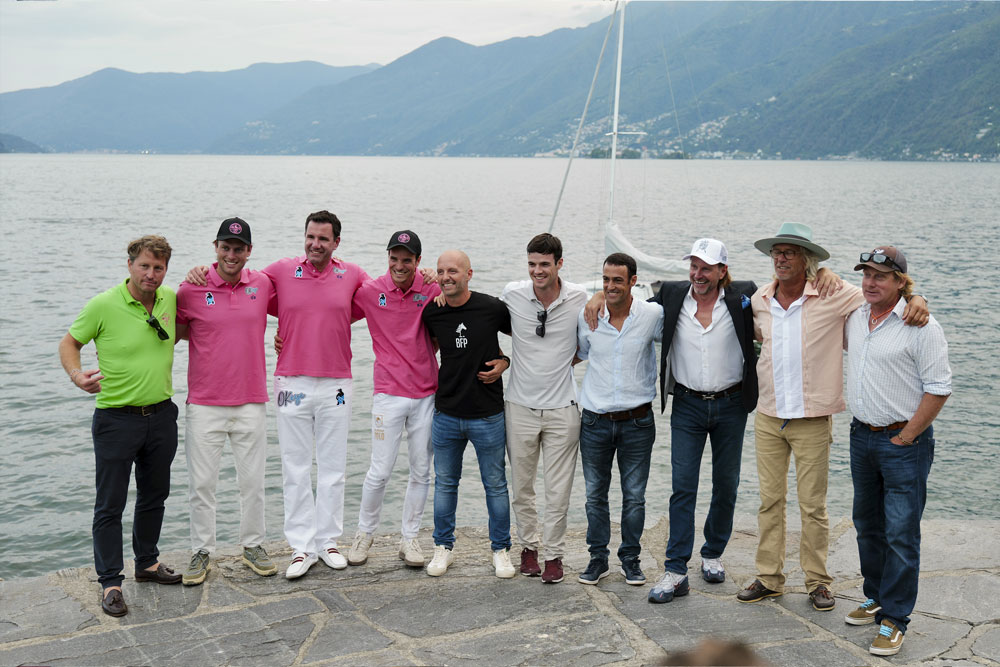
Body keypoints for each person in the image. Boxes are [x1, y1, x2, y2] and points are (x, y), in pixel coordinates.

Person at [737, 222, 927, 612]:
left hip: (812, 418)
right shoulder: (759, 299)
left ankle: (818, 582)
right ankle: (769, 578)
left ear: (807, 259)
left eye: (790, 252)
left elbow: (884, 296)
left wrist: (918, 298)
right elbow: (757, 338)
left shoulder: (835, 293)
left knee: (813, 506)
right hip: (769, 416)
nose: (781, 258)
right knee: (769, 502)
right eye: (777, 252)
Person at [58, 235, 182, 617]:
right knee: (110, 504)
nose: (151, 274)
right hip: (116, 419)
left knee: (154, 496)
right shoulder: (103, 304)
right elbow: (69, 344)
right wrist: (78, 376)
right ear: (130, 265)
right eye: (144, 266)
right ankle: (110, 582)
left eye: (158, 267)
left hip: (162, 415)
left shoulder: (170, 299)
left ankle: (147, 563)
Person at [844, 246, 950, 656]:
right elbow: (824, 284)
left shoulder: (922, 325)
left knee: (901, 533)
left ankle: (895, 619)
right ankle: (877, 596)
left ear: (900, 282)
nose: (870, 282)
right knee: (867, 525)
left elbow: (938, 388)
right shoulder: (856, 316)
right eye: (866, 275)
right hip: (861, 437)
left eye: (880, 276)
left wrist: (906, 437)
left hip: (904, 443)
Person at [644, 239, 758, 603]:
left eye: (706, 268)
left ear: (722, 271)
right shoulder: (672, 294)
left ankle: (712, 553)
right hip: (687, 405)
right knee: (683, 486)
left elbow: (786, 302)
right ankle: (676, 569)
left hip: (732, 404)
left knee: (726, 484)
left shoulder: (745, 295)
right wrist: (599, 297)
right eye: (694, 266)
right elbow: (631, 308)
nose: (698, 274)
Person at [175, 218, 277, 585]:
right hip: (204, 402)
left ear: (248, 251)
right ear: (215, 248)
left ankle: (253, 545)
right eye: (225, 247)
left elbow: (300, 306)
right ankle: (202, 550)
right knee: (202, 484)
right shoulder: (190, 288)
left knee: (253, 482)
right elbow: (171, 333)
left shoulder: (263, 284)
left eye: (238, 248)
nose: (231, 254)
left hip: (251, 399)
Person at [346, 230, 440, 568]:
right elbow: (331, 313)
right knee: (380, 471)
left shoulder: (431, 288)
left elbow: (460, 300)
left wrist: (437, 276)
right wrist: (286, 336)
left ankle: (409, 538)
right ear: (387, 257)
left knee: (421, 471)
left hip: (427, 393)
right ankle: (364, 534)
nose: (400, 265)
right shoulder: (370, 291)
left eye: (407, 260)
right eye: (394, 258)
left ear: (418, 261)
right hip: (387, 394)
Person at [420, 250, 514, 578]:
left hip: (488, 415)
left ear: (469, 274)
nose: (447, 277)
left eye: (454, 271)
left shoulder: (492, 308)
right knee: (445, 484)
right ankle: (443, 547)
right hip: (446, 413)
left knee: (495, 484)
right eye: (441, 271)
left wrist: (506, 362)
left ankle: (501, 550)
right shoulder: (433, 312)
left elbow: (527, 338)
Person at [500, 233, 587, 584]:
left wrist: (567, 361)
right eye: (532, 264)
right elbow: (481, 319)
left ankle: (554, 555)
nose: (538, 271)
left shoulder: (580, 297)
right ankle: (528, 548)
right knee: (522, 486)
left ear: (559, 264)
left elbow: (590, 341)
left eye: (545, 264)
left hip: (563, 409)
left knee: (558, 490)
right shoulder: (512, 295)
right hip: (519, 406)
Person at [576, 252, 664, 587]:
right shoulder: (588, 316)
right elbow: (578, 353)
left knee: (635, 496)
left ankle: (630, 559)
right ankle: (598, 559)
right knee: (595, 495)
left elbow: (681, 323)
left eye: (617, 280)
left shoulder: (651, 315)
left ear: (633, 282)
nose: (610, 286)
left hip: (637, 422)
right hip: (594, 421)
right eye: (605, 280)